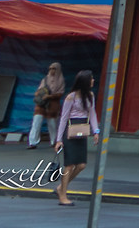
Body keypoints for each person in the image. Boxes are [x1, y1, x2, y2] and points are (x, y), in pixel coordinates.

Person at [53, 68, 98, 208]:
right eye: (91, 79)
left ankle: (61, 187)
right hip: (70, 131)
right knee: (69, 165)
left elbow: (93, 114)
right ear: (85, 81)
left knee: (81, 165)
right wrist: (59, 139)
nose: (93, 81)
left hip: (82, 130)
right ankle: (63, 195)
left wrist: (96, 131)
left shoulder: (90, 96)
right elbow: (63, 118)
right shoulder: (70, 97)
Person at [27, 63, 65, 149]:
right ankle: (32, 142)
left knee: (52, 124)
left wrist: (50, 96)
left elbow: (60, 94)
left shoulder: (60, 81)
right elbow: (39, 90)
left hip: (52, 105)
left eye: (54, 69)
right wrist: (39, 93)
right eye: (50, 68)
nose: (52, 70)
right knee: (36, 122)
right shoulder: (45, 79)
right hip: (42, 104)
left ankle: (54, 141)